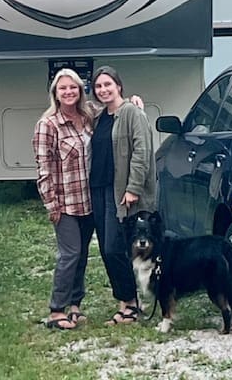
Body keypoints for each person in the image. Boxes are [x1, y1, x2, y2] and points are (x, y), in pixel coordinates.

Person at [89, 65, 156, 325]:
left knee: (114, 248)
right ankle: (125, 301)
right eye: (98, 86)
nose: (103, 90)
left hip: (122, 192)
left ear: (119, 86)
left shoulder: (131, 113)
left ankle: (131, 304)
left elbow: (142, 151)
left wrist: (133, 188)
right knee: (106, 250)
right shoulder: (99, 116)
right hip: (100, 189)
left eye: (108, 84)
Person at [32, 68, 95, 330]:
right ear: (55, 94)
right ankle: (57, 310)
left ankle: (75, 305)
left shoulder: (88, 117)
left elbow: (115, 108)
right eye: (63, 88)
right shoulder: (48, 125)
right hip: (65, 203)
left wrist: (134, 102)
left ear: (80, 91)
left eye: (73, 87)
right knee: (70, 254)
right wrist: (51, 204)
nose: (68, 92)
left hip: (89, 201)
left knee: (81, 256)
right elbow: (43, 168)